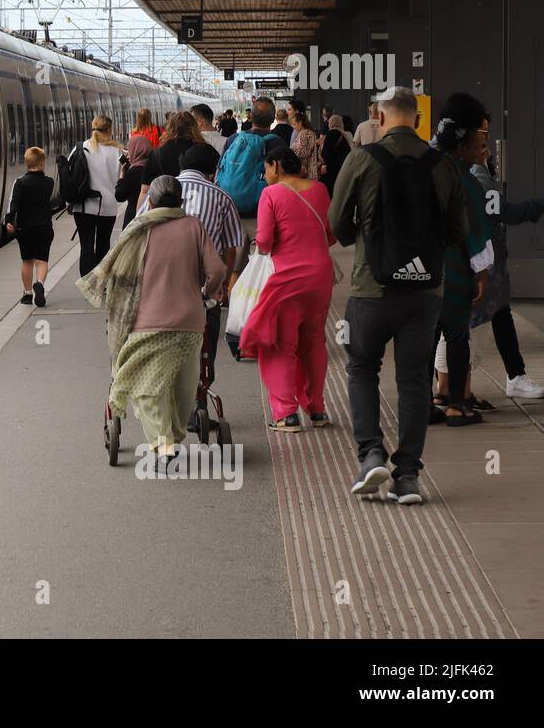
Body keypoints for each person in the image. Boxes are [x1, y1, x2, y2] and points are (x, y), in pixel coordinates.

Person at [328, 88, 467, 506]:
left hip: (372, 289)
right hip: (425, 292)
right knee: (413, 379)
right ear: (417, 121)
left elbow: (337, 222)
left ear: (379, 118)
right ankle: (407, 477)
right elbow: (458, 231)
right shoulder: (443, 165)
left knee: (362, 369)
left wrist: (359, 235)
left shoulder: (362, 158)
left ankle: (371, 453)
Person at [77, 175, 225, 464]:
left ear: (151, 202)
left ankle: (163, 443)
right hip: (190, 322)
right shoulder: (194, 226)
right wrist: (205, 292)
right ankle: (175, 436)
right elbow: (217, 269)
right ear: (180, 201)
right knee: (185, 385)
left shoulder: (136, 231)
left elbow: (117, 276)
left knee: (147, 387)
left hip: (145, 323)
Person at [240, 148, 336, 432]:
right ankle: (317, 410)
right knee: (314, 341)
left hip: (286, 279)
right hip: (320, 276)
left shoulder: (271, 194)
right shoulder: (320, 190)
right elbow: (330, 235)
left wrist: (260, 242)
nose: (264, 174)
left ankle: (286, 413)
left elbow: (266, 241)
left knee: (281, 343)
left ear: (275, 165)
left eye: (266, 168)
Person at [428, 93, 496, 428]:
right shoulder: (465, 179)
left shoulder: (421, 167)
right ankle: (457, 405)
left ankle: (423, 405)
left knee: (424, 337)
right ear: (464, 138)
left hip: (416, 271)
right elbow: (476, 232)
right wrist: (482, 273)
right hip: (452, 270)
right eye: (482, 137)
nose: (484, 145)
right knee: (456, 335)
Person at [469, 154, 544, 399]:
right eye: (482, 144)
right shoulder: (475, 176)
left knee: (500, 316)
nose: (489, 152)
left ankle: (515, 376)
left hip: (488, 263)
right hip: (481, 263)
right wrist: (538, 206)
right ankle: (454, 391)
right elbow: (506, 212)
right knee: (467, 329)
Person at [177, 143, 243, 419]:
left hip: (163, 287)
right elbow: (231, 245)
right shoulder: (221, 197)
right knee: (205, 340)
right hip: (205, 288)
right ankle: (200, 395)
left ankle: (173, 396)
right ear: (212, 170)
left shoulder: (161, 191)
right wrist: (225, 284)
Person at [217, 96, 283, 276]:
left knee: (235, 267)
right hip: (261, 213)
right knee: (260, 267)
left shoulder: (232, 140)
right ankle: (255, 301)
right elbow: (282, 179)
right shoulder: (275, 142)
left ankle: (232, 299)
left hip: (232, 212)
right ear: (272, 119)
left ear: (251, 117)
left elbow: (220, 171)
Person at [6, 146, 63, 307]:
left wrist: (9, 221)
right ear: (42, 162)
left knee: (27, 261)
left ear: (26, 163)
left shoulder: (20, 183)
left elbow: (13, 204)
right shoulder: (49, 182)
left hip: (24, 228)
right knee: (42, 261)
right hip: (44, 227)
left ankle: (27, 293)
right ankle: (39, 283)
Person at [70, 116, 121, 277]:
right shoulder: (117, 151)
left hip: (83, 206)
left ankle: (86, 282)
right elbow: (122, 178)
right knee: (103, 244)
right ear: (109, 130)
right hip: (108, 206)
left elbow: (69, 176)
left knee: (86, 245)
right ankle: (100, 282)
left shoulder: (81, 148)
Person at [139, 110, 204, 206]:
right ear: (194, 127)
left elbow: (145, 189)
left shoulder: (157, 153)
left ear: (170, 127)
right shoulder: (203, 150)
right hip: (196, 204)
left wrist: (139, 215)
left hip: (165, 206)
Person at [115, 136, 152, 228]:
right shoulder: (154, 167)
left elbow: (119, 196)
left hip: (133, 216)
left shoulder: (132, 172)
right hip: (152, 214)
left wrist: (122, 175)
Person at [320, 114, 354, 194]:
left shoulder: (331, 134)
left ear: (330, 123)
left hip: (332, 170)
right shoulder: (344, 135)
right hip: (343, 169)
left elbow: (325, 154)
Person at [290, 107, 322, 181]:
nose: (293, 127)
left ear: (300, 123)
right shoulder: (311, 132)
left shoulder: (303, 133)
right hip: (311, 170)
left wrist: (291, 151)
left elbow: (303, 152)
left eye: (294, 124)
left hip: (304, 171)